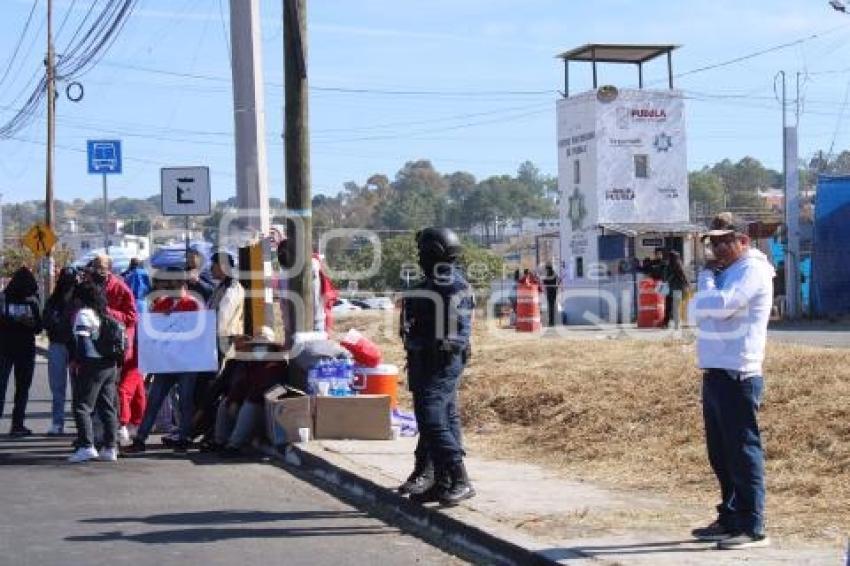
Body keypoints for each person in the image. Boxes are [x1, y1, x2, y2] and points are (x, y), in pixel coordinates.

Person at [691, 212, 774, 550]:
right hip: (716, 371)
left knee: (742, 452)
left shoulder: (752, 269)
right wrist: (707, 289)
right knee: (721, 454)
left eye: (725, 240)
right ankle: (730, 517)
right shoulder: (727, 271)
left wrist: (706, 282)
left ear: (743, 240)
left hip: (737, 372)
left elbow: (721, 306)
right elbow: (700, 308)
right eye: (712, 242)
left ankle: (753, 527)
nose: (717, 248)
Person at [399, 227, 475, 506]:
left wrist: (434, 348)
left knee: (432, 419)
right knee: (443, 418)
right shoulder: (433, 282)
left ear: (435, 253)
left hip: (440, 361)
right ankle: (441, 481)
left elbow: (453, 332)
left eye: (423, 252)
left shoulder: (450, 285)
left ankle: (459, 478)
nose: (420, 257)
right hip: (426, 360)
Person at [126, 269, 203, 453]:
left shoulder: (194, 305)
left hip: (185, 363)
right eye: (170, 285)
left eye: (175, 285)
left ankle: (184, 438)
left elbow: (199, 332)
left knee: (185, 401)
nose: (171, 289)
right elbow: (152, 332)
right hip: (166, 362)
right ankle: (140, 439)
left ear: (184, 286)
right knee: (154, 400)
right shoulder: (163, 304)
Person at [88, 254, 143, 445]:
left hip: (117, 347)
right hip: (96, 345)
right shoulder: (90, 286)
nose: (97, 270)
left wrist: (108, 312)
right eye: (95, 266)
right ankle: (98, 433)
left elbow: (132, 316)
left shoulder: (121, 287)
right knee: (98, 391)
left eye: (101, 266)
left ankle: (119, 429)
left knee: (114, 391)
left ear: (109, 268)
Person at [68, 281, 120, 463]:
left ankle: (86, 446)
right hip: (109, 365)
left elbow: (82, 343)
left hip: (92, 364)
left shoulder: (83, 314)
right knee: (107, 407)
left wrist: (77, 362)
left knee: (82, 406)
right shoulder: (102, 313)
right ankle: (111, 447)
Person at [0, 267, 43, 436]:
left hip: (8, 347)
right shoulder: (30, 299)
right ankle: (17, 424)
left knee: (11, 386)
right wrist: (22, 322)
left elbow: (38, 327)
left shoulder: (6, 298)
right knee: (21, 388)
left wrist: (28, 323)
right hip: (20, 348)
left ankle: (18, 424)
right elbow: (39, 327)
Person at [42, 267, 80, 435]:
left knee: (77, 387)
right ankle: (58, 423)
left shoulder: (79, 299)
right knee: (58, 387)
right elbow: (45, 321)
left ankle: (80, 424)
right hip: (57, 344)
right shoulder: (54, 300)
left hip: (75, 346)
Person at [207, 251, 245, 362]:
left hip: (224, 340)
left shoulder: (232, 289)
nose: (210, 269)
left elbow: (223, 316)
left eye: (213, 265)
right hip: (217, 339)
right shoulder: (221, 287)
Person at [662, 251, 689, 330]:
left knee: (668, 307)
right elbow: (685, 279)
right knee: (676, 308)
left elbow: (665, 278)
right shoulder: (680, 266)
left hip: (669, 290)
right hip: (678, 290)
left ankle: (666, 324)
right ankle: (677, 325)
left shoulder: (667, 267)